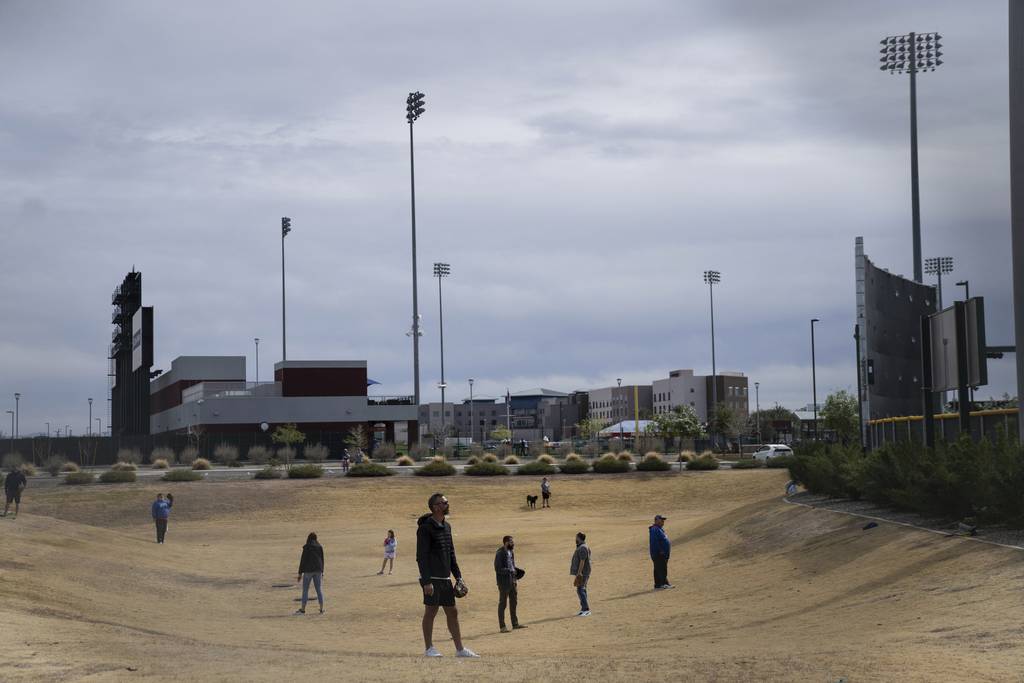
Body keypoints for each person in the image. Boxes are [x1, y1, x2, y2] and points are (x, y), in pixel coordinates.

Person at [416, 492, 479, 658]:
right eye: (443, 503)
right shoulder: (425, 529)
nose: (446, 504)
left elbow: (451, 553)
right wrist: (427, 581)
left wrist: (458, 576)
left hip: (445, 579)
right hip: (432, 579)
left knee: (452, 612)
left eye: (446, 502)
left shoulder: (447, 526)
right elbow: (421, 557)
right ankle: (429, 648)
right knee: (431, 612)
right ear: (435, 507)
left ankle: (460, 649)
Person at [494, 535, 525, 632]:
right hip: (503, 583)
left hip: (512, 581)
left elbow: (512, 565)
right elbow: (497, 569)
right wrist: (509, 571)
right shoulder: (500, 553)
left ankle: (515, 624)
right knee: (503, 604)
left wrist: (515, 573)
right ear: (506, 542)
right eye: (511, 542)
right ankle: (502, 627)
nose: (513, 543)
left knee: (514, 603)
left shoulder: (511, 552)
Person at [296, 532, 325, 614]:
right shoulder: (319, 547)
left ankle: (303, 609)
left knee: (305, 590)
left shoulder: (307, 547)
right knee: (319, 589)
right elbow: (322, 559)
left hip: (308, 571)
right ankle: (321, 609)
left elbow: (303, 560)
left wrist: (299, 573)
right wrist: (322, 571)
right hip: (318, 570)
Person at [570, 531, 592, 617]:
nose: (575, 539)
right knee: (582, 589)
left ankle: (586, 609)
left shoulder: (582, 548)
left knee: (580, 590)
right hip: (583, 572)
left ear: (579, 538)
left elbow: (582, 561)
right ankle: (584, 609)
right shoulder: (582, 546)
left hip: (583, 572)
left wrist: (579, 573)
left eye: (576, 537)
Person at [649, 514, 673, 590]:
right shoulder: (655, 529)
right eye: (661, 520)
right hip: (658, 554)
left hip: (659, 553)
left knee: (657, 569)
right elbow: (654, 542)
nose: (663, 521)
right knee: (662, 568)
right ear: (656, 520)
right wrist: (660, 551)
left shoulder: (658, 529)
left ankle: (658, 585)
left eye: (663, 520)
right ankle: (664, 584)